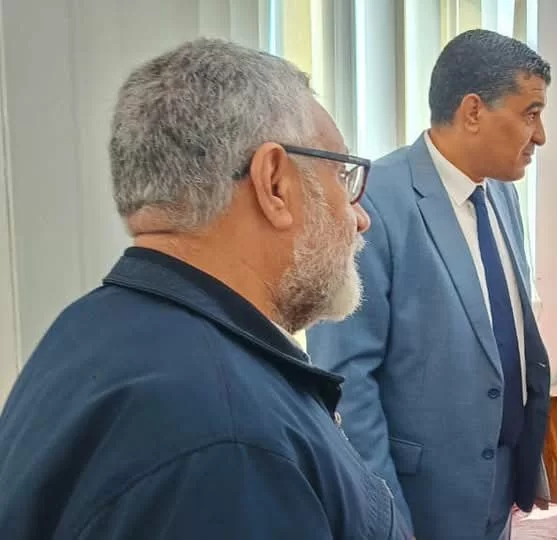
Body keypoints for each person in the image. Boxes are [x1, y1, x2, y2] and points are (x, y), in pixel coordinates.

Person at [0, 39, 411, 539]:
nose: (360, 218)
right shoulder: (231, 438)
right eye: (343, 177)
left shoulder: (90, 330)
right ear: (274, 184)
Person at [306, 29, 551, 540]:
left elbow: (504, 334)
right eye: (530, 113)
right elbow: (347, 381)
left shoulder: (502, 195)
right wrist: (386, 517)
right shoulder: (374, 203)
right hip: (422, 499)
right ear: (473, 111)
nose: (541, 135)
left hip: (501, 483)